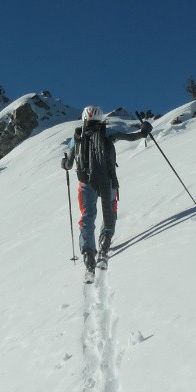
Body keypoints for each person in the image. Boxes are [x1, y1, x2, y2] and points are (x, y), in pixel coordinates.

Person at [61, 105, 152, 269]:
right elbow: (130, 137)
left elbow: (68, 164)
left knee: (87, 216)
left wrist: (64, 163)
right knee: (111, 209)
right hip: (108, 181)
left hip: (85, 183)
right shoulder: (108, 132)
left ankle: (88, 253)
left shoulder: (76, 138)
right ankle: (105, 238)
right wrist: (144, 131)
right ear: (101, 118)